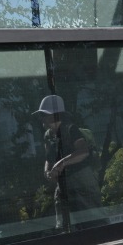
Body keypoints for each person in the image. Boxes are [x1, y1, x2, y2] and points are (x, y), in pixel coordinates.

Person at [33, 94, 102, 230]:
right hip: (63, 182)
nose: (43, 118)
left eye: (45, 114)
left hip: (82, 178)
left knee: (93, 219)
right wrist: (47, 171)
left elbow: (83, 152)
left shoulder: (71, 129)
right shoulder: (48, 135)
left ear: (55, 115)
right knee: (64, 222)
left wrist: (61, 163)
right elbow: (49, 158)